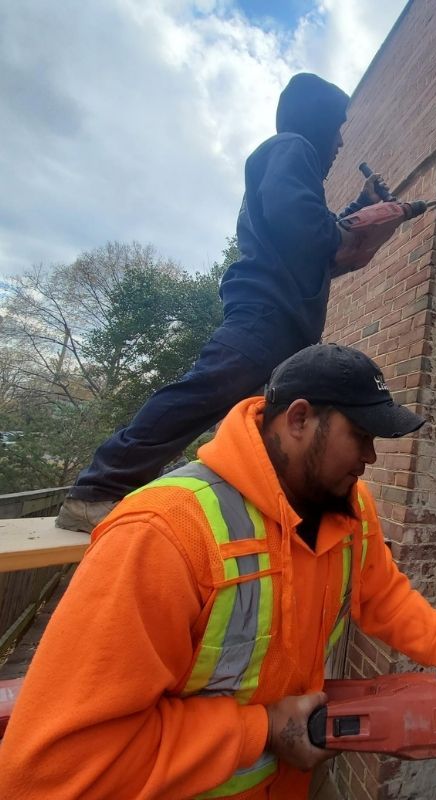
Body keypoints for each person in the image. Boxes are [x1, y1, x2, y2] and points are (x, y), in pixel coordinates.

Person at [0, 344, 436, 799]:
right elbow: (53, 769)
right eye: (362, 436)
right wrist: (261, 730)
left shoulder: (350, 506)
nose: (371, 458)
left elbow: (384, 595)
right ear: (300, 419)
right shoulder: (162, 533)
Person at [56, 72, 399, 533]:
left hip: (282, 322)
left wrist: (361, 204)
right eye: (337, 124)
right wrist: (364, 221)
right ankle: (98, 489)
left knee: (263, 424)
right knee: (207, 391)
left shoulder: (289, 163)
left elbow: (311, 249)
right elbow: (302, 226)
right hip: (266, 314)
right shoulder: (290, 147)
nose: (340, 139)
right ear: (316, 119)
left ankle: (259, 511)